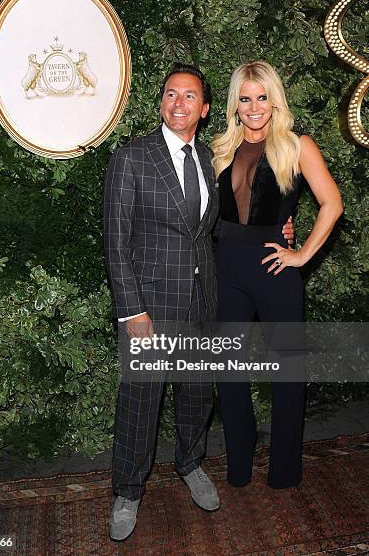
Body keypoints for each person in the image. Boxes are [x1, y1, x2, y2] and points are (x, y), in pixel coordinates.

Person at [103, 63, 294, 541]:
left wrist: (283, 230)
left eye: (190, 97)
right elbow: (115, 241)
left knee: (195, 394)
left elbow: (236, 216)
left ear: (205, 109)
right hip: (150, 304)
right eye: (171, 94)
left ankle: (189, 464)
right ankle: (127, 490)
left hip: (205, 299)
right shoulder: (131, 159)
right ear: (161, 102)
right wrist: (132, 309)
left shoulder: (215, 158)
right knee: (140, 402)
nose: (179, 103)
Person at [211, 61, 343, 489]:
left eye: (262, 97)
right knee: (228, 372)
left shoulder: (297, 145)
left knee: (287, 372)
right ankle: (239, 465)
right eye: (245, 98)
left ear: (275, 99)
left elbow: (332, 204)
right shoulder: (220, 149)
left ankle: (285, 470)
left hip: (274, 268)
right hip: (226, 266)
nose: (254, 107)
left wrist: (301, 254)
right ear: (235, 104)